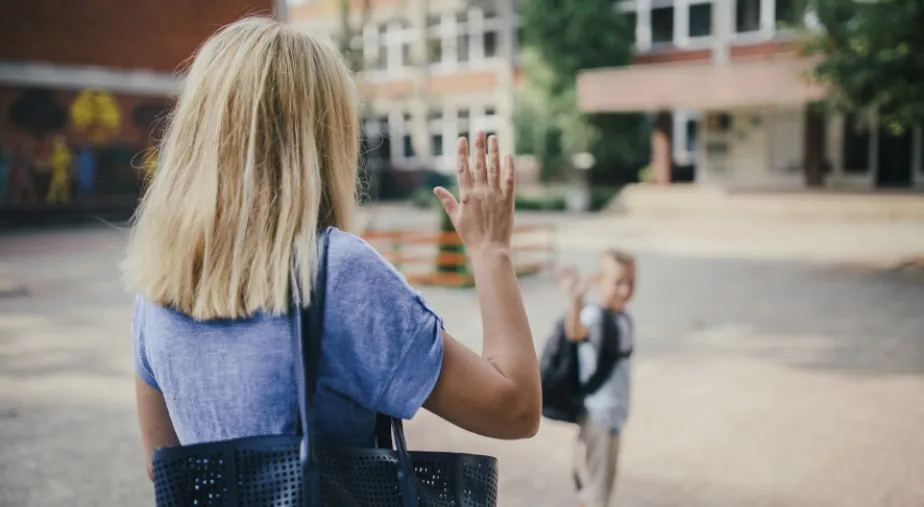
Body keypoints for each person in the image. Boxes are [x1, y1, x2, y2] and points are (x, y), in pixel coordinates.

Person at [121, 17, 541, 482]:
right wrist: (491, 252)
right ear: (321, 142)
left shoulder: (156, 286)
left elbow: (168, 474)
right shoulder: (335, 275)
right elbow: (515, 409)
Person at [558, 251, 637, 507]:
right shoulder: (594, 316)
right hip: (598, 416)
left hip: (614, 416)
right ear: (599, 281)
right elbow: (575, 330)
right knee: (596, 495)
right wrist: (576, 298)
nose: (625, 290)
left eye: (630, 282)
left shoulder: (623, 318)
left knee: (598, 490)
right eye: (618, 282)